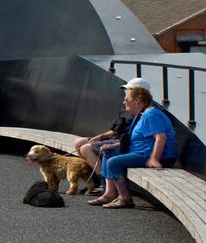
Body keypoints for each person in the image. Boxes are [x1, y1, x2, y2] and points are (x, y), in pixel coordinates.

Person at [89, 80, 178, 209]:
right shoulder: (141, 114)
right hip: (141, 150)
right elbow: (135, 139)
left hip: (152, 155)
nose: (124, 102)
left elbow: (161, 137)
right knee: (108, 152)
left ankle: (125, 199)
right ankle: (110, 193)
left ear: (137, 100)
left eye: (127, 99)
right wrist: (113, 146)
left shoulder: (151, 115)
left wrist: (154, 159)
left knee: (113, 162)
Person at [74, 81, 138, 191]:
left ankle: (103, 182)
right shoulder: (125, 109)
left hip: (122, 142)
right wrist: (100, 136)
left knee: (86, 148)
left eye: (129, 90)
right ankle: (93, 178)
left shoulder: (139, 112)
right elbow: (114, 130)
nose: (126, 92)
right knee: (79, 143)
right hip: (114, 138)